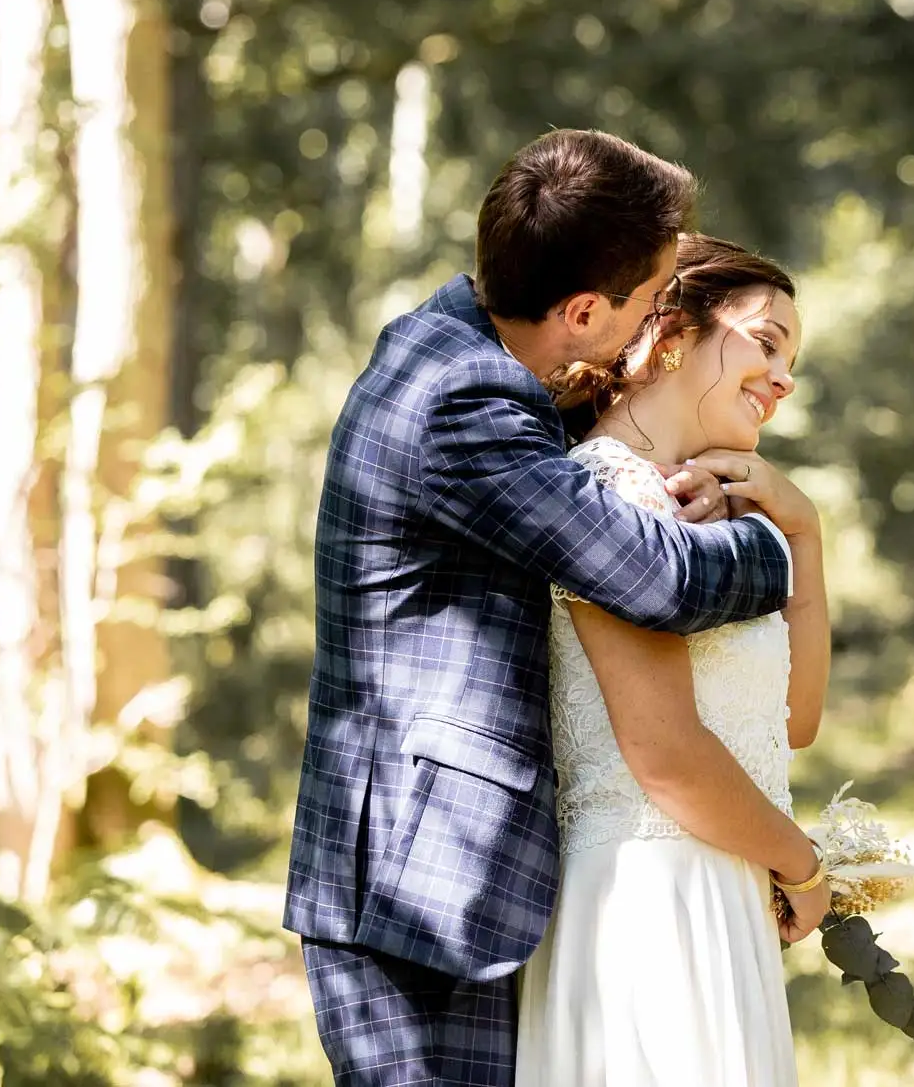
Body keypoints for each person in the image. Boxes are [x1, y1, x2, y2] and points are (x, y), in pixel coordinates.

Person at [282, 130, 821, 1087]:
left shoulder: (467, 352)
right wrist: (782, 534)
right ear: (581, 309)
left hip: (473, 877)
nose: (660, 317)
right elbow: (659, 581)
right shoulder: (463, 400)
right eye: (654, 297)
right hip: (423, 887)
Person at [514, 234, 831, 1087]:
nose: (784, 379)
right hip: (645, 909)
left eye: (790, 358)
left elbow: (794, 721)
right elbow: (665, 751)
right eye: (766, 342)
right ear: (673, 334)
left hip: (717, 893)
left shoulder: (724, 520)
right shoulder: (605, 496)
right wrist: (804, 865)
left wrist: (802, 530)